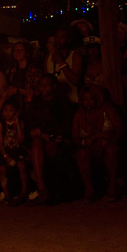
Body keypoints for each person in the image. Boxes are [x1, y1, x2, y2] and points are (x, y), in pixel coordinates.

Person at [26, 73, 74, 205]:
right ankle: (41, 187)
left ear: (54, 86)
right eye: (42, 85)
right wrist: (40, 134)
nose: (44, 88)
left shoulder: (62, 103)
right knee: (37, 143)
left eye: (48, 85)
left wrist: (52, 136)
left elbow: (66, 126)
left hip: (58, 139)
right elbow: (31, 126)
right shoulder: (34, 104)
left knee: (52, 147)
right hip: (40, 140)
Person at [72, 86, 122, 202]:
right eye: (84, 99)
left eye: (91, 99)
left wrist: (98, 136)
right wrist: (86, 142)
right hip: (90, 148)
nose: (87, 102)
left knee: (111, 150)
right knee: (82, 154)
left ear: (97, 99)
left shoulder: (108, 110)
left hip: (108, 143)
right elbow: (75, 138)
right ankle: (89, 190)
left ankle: (112, 187)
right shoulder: (79, 115)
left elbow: (120, 130)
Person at [0, 100, 29, 207]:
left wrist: (17, 124)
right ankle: (6, 194)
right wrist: (6, 156)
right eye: (5, 110)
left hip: (16, 149)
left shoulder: (20, 123)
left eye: (11, 111)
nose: (8, 113)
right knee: (2, 169)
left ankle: (24, 192)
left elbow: (21, 140)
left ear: (16, 112)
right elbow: (0, 143)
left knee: (22, 166)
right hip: (4, 150)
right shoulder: (0, 125)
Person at [44, 27, 83, 104]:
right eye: (56, 37)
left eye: (62, 37)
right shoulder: (48, 57)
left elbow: (75, 81)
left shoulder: (75, 56)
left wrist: (61, 62)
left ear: (69, 40)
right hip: (53, 104)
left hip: (72, 103)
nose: (58, 40)